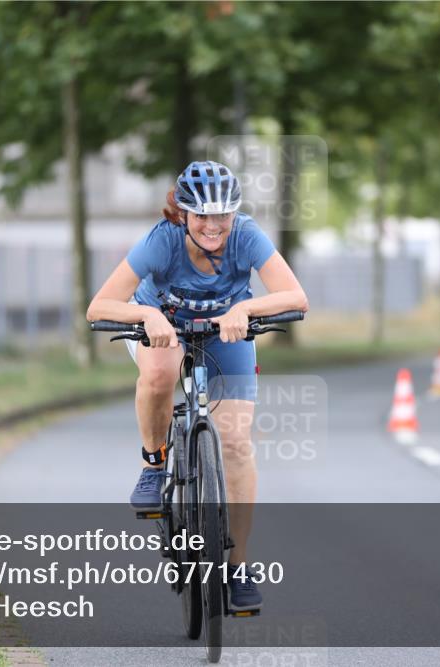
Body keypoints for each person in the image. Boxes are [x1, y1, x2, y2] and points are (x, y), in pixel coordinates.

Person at [86, 160, 308, 610]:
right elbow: (99, 306)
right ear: (182, 214)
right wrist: (148, 315)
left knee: (236, 444)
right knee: (161, 372)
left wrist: (246, 310)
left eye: (222, 214)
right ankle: (153, 465)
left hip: (225, 334)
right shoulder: (160, 241)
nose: (213, 225)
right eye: (202, 215)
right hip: (161, 330)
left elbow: (295, 296)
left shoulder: (246, 235)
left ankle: (238, 565)